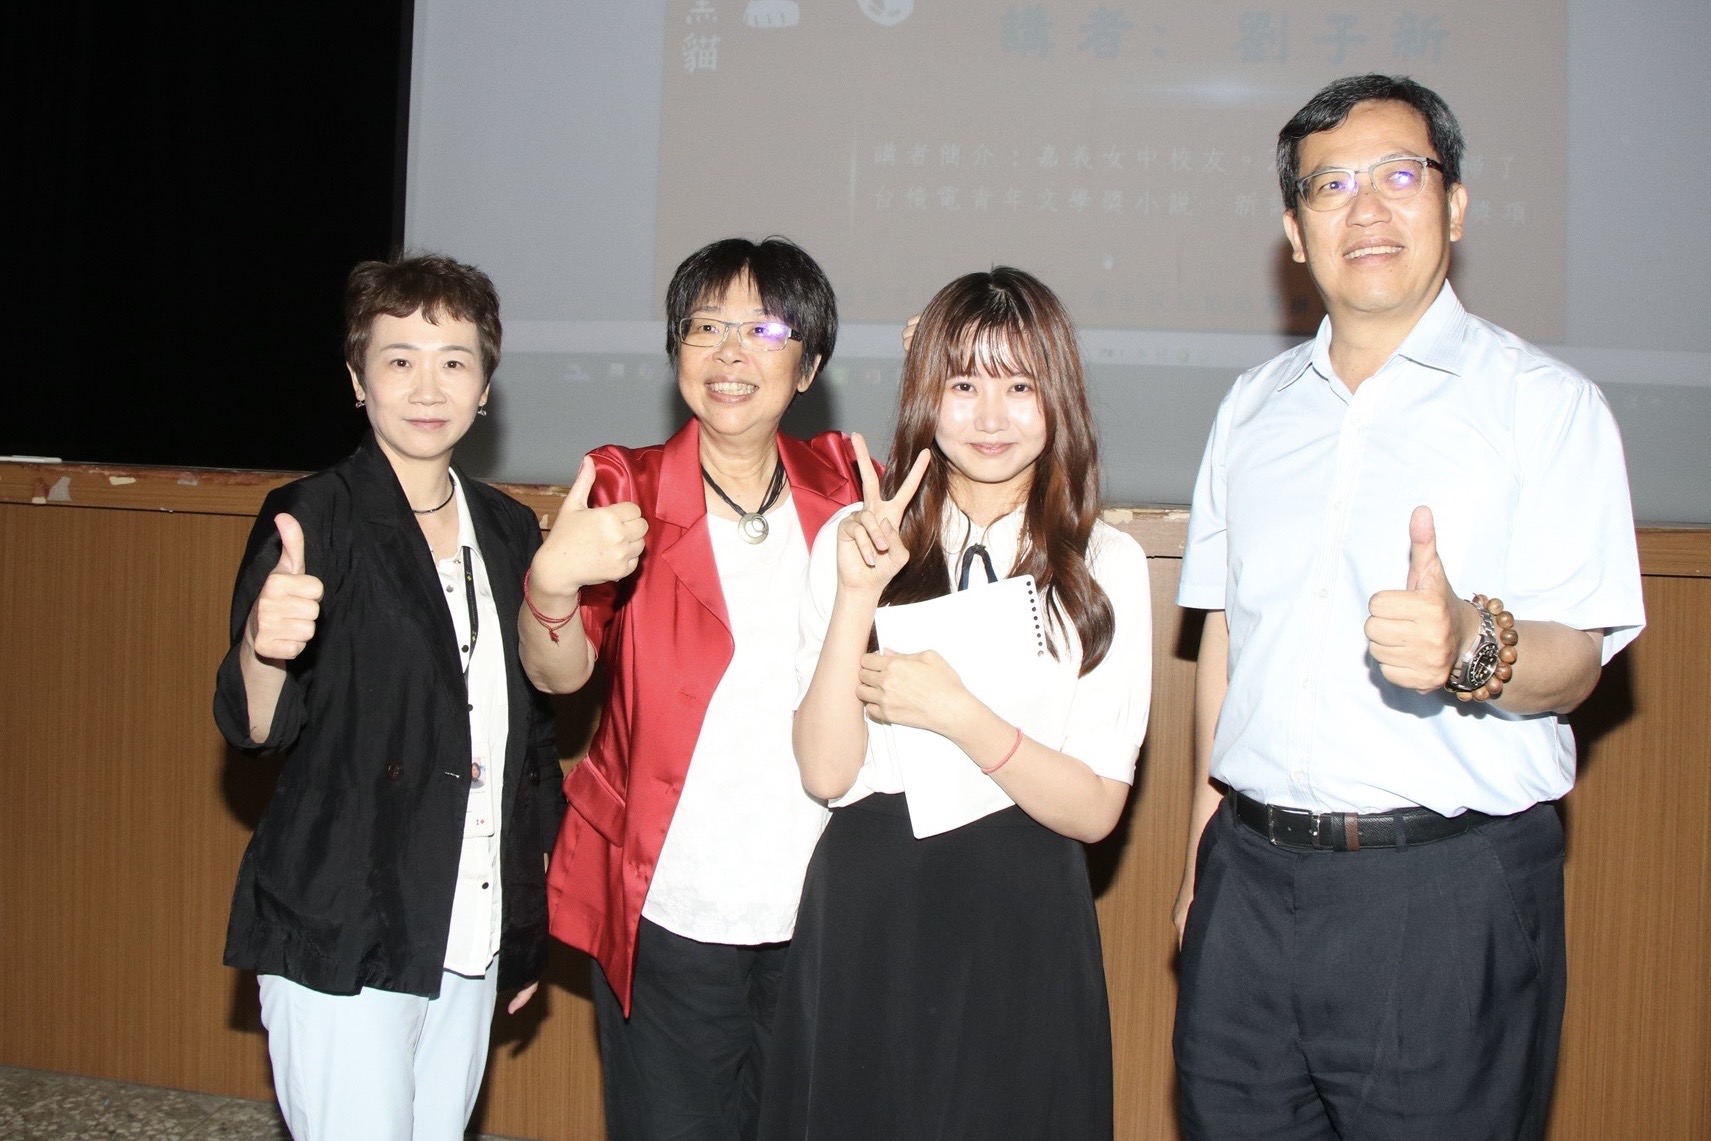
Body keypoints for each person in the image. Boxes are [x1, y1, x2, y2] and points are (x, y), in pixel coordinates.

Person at [1171, 75, 1646, 1140]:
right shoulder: (1250, 412)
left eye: (1399, 174)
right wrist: (1201, 861)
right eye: (1331, 185)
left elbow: (1579, 661)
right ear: (1294, 230)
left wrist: (1470, 642)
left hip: (1442, 896)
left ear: (1455, 205)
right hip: (1247, 887)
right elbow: (1228, 639)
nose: (1367, 209)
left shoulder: (1545, 406)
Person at [763, 267, 1153, 1139]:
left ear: (1057, 397)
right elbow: (824, 771)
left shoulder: (1104, 562)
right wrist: (858, 593)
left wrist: (958, 714)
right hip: (871, 906)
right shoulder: (854, 539)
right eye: (964, 384)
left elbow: (1096, 808)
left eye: (1019, 386)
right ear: (925, 392)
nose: (989, 416)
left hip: (1024, 904)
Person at [213, 254, 565, 1139]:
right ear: (356, 378)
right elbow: (256, 726)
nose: (427, 386)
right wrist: (264, 647)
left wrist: (523, 921)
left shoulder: (509, 528)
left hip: (467, 915)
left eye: (454, 360)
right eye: (398, 358)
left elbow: (528, 743)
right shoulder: (312, 516)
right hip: (347, 913)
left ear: (485, 387)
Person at [518, 236, 863, 1139]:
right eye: (705, 326)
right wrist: (550, 586)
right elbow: (558, 674)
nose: (729, 352)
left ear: (808, 365)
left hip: (821, 901)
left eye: (764, 329)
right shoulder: (624, 487)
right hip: (672, 899)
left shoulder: (846, 487)